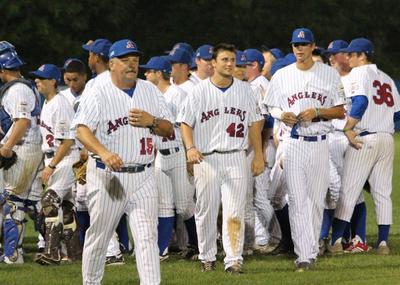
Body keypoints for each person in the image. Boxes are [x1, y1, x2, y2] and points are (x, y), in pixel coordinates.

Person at [72, 39, 173, 285]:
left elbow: (169, 129)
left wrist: (152, 121)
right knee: (100, 236)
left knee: (147, 237)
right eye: (126, 60)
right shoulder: (97, 89)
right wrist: (104, 152)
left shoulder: (149, 90)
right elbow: (81, 130)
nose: (132, 65)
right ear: (112, 64)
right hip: (108, 176)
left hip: (144, 174)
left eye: (135, 60)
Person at [178, 43, 265, 273]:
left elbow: (255, 124)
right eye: (224, 59)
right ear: (213, 63)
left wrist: (259, 155)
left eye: (232, 60)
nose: (229, 64)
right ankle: (207, 256)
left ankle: (233, 259)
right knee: (206, 210)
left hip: (236, 156)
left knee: (234, 210)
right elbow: (185, 122)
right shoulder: (198, 91)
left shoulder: (246, 90)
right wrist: (190, 148)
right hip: (206, 158)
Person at [263, 28, 345, 271]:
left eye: (304, 44)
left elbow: (340, 110)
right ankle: (304, 255)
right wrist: (282, 114)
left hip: (320, 141)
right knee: (298, 201)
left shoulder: (328, 74)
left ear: (312, 47)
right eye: (295, 45)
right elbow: (271, 107)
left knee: (316, 201)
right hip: (293, 143)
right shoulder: (282, 75)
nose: (299, 49)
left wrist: (318, 111)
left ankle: (310, 250)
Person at [330, 38, 400, 256]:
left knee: (349, 190)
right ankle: (382, 243)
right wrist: (384, 125)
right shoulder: (387, 78)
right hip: (387, 139)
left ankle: (337, 242)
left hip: (364, 138)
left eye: (352, 54)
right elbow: (398, 113)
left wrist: (348, 128)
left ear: (363, 56)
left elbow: (360, 102)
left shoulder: (357, 75)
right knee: (382, 193)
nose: (348, 57)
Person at [141, 56, 198, 261]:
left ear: (159, 73)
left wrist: (189, 157)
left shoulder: (178, 94)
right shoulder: (152, 96)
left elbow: (188, 126)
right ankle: (161, 250)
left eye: (149, 71)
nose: (145, 74)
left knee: (184, 206)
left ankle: (199, 244)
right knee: (163, 204)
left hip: (178, 154)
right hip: (160, 156)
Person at [30, 64, 81, 265]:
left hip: (65, 158)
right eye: (36, 78)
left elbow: (67, 140)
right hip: (55, 157)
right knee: (66, 208)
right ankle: (74, 253)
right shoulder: (48, 102)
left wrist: (51, 166)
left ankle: (52, 253)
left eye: (41, 78)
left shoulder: (60, 104)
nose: (37, 81)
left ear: (53, 81)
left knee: (49, 202)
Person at [0, 46, 43, 264]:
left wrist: (7, 147)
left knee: (12, 202)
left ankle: (13, 255)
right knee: (35, 203)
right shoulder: (24, 86)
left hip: (23, 147)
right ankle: (56, 247)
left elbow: (22, 122)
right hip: (32, 147)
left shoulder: (17, 89)